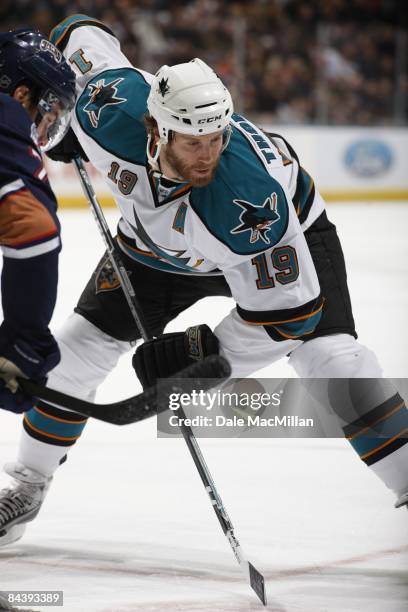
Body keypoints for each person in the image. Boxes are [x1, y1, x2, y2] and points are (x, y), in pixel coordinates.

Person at [0, 13, 406, 546]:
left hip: (284, 246)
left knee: (336, 366)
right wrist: (60, 121)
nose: (208, 153)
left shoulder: (245, 202)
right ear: (156, 128)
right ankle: (25, 488)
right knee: (75, 352)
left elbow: (291, 314)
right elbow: (78, 32)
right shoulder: (106, 106)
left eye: (216, 138)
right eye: (193, 142)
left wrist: (206, 356)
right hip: (152, 250)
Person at [0, 28, 76, 416]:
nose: (45, 130)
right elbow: (33, 228)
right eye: (49, 113)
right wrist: (25, 344)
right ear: (22, 95)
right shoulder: (7, 115)